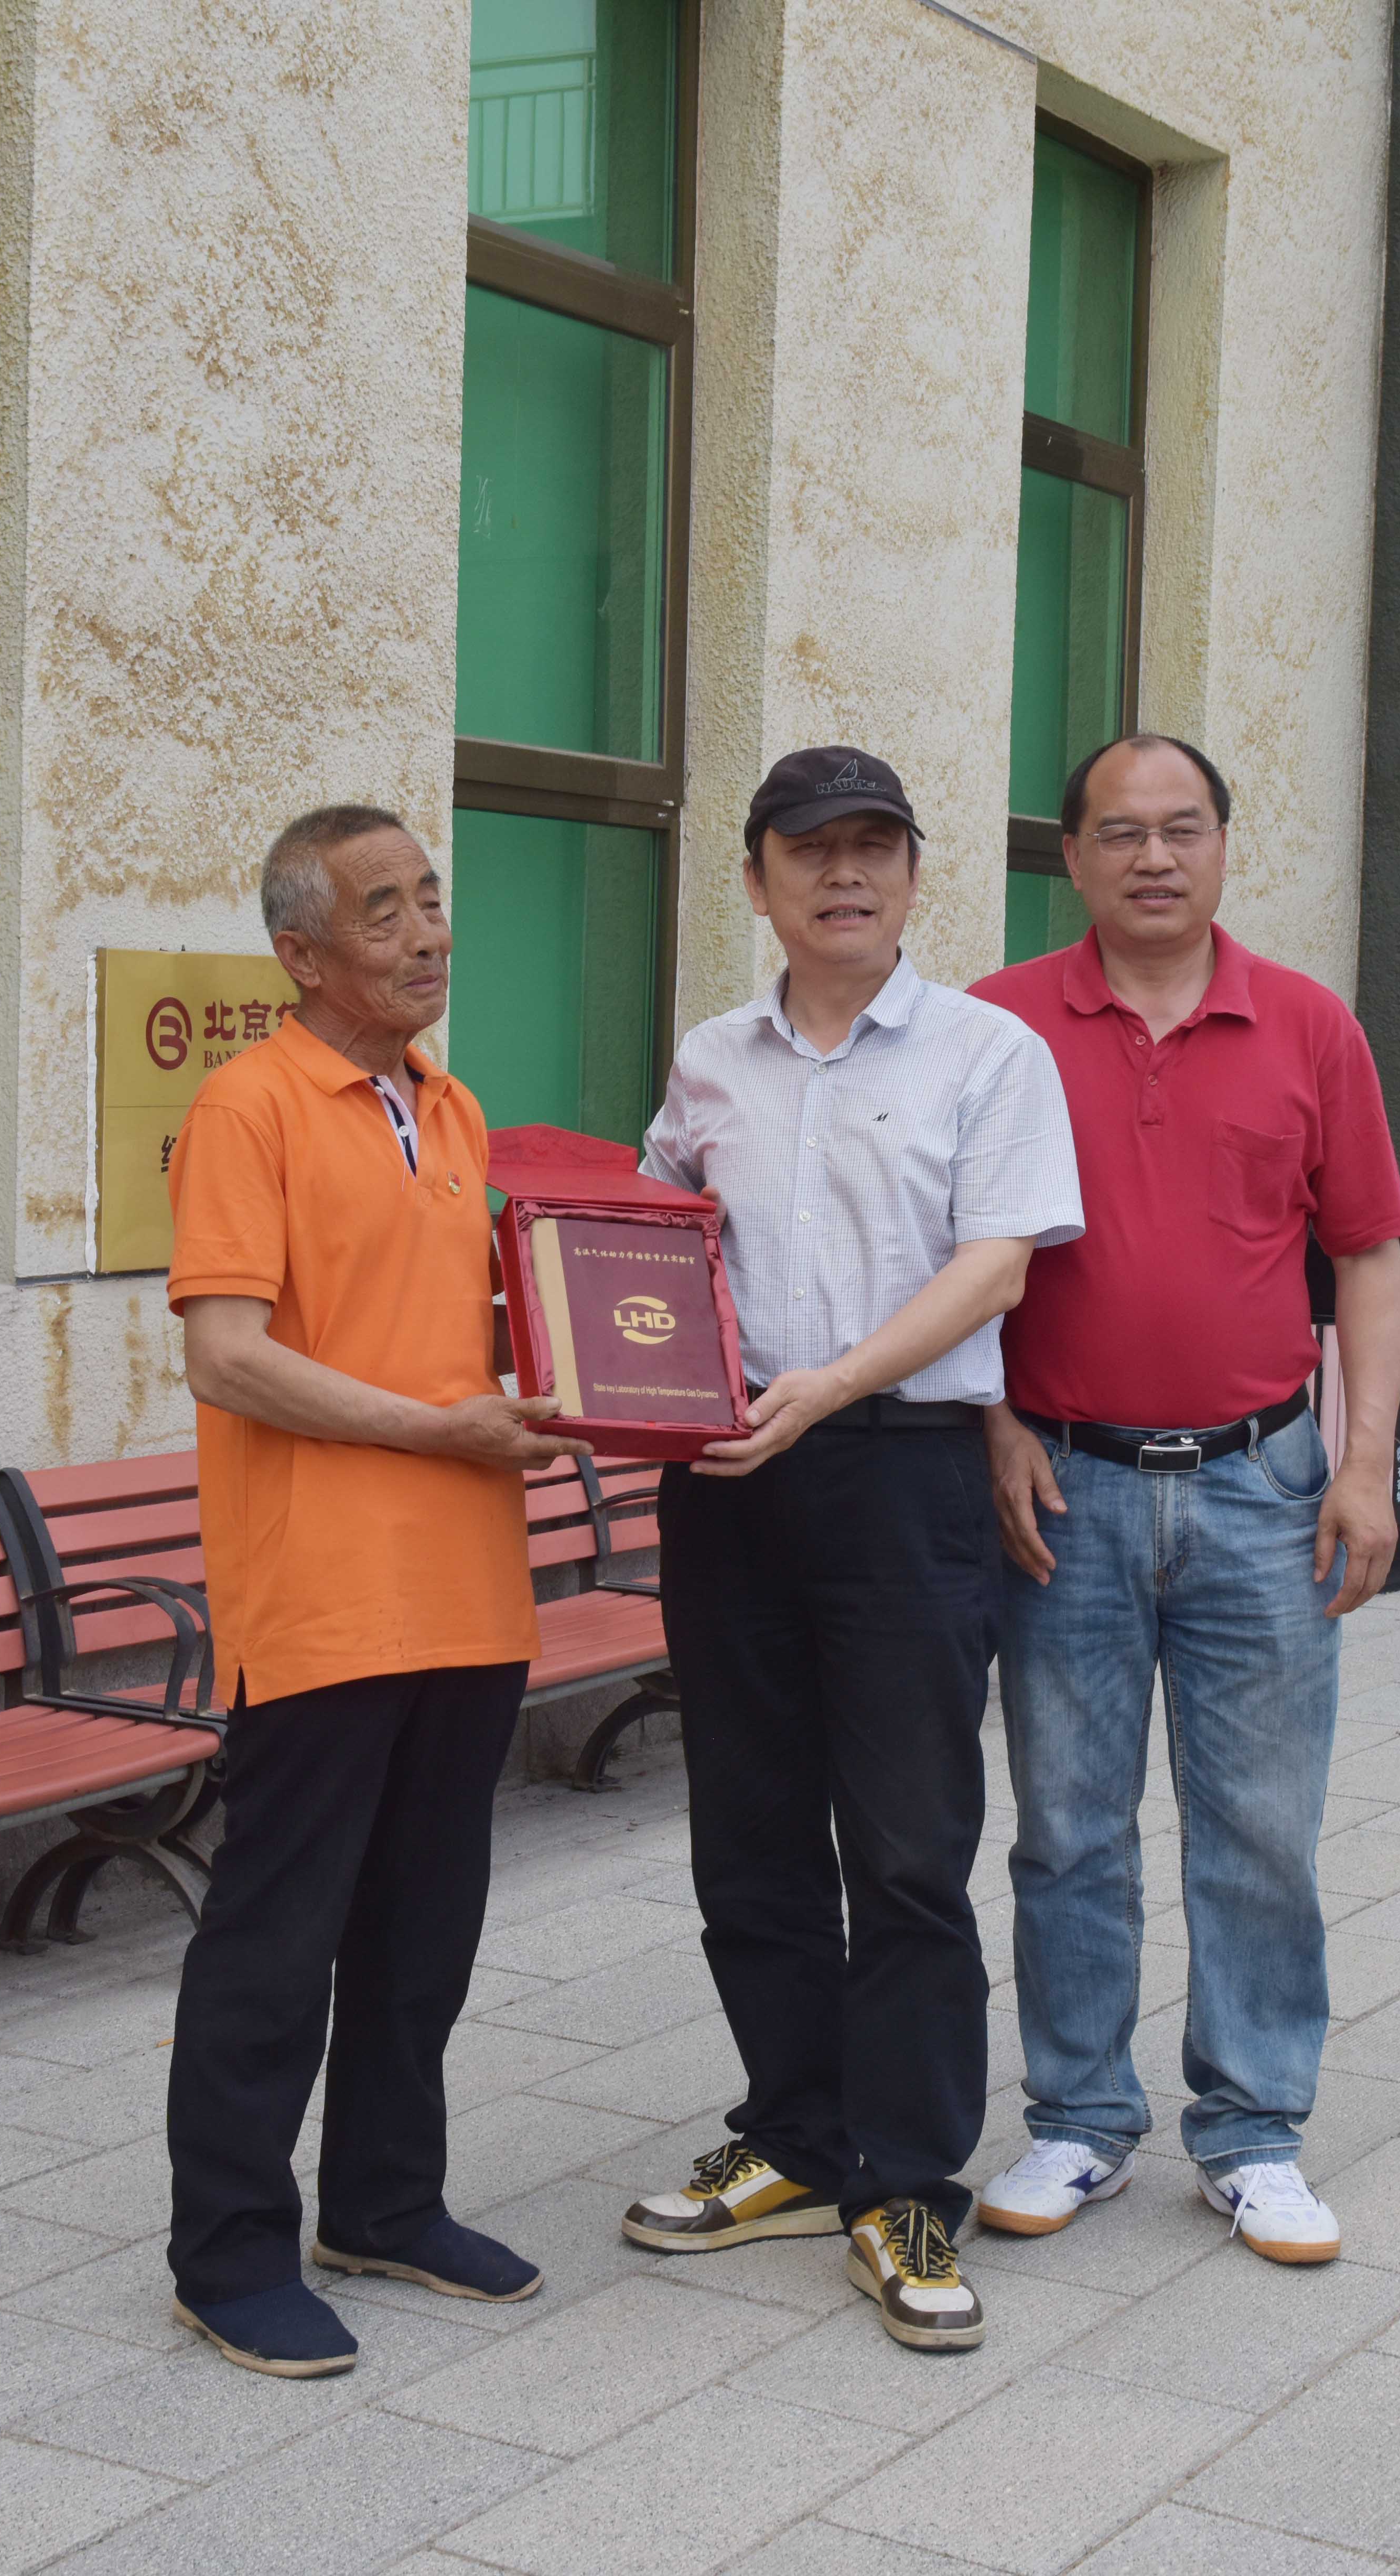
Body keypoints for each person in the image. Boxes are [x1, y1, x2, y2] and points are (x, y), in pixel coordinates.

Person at [616, 746, 1082, 2354]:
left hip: (900, 1475)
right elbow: (644, 1245)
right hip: (728, 1479)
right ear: (755, 880)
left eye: (875, 846)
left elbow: (995, 1270)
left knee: (904, 1847)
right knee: (748, 1832)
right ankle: (797, 2134)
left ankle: (904, 2182)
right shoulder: (709, 1062)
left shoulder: (987, 1053)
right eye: (811, 850)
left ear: (912, 874)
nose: (846, 875)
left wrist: (826, 1386)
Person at [964, 735, 1400, 2265]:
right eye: (1118, 832)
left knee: (1259, 1831)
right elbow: (952, 1253)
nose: (1151, 857)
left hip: (1262, 1485)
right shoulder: (999, 1025)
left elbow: (1365, 1255)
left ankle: (1252, 2129)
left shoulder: (1307, 1025)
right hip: (1062, 1486)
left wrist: (1362, 1464)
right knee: (1065, 1828)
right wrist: (994, 1420)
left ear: (1222, 842)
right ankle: (1080, 2116)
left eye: (1180, 828)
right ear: (1070, 856)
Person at [158, 802, 588, 2377]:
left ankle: (386, 2202)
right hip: (324, 1595)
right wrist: (439, 1427)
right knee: (275, 1944)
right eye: (384, 911)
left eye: (432, 899)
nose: (427, 934)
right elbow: (227, 1355)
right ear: (299, 952)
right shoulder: (248, 1104)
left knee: (424, 1930)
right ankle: (227, 2253)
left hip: (467, 1588)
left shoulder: (451, 1107)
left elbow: (457, 1330)